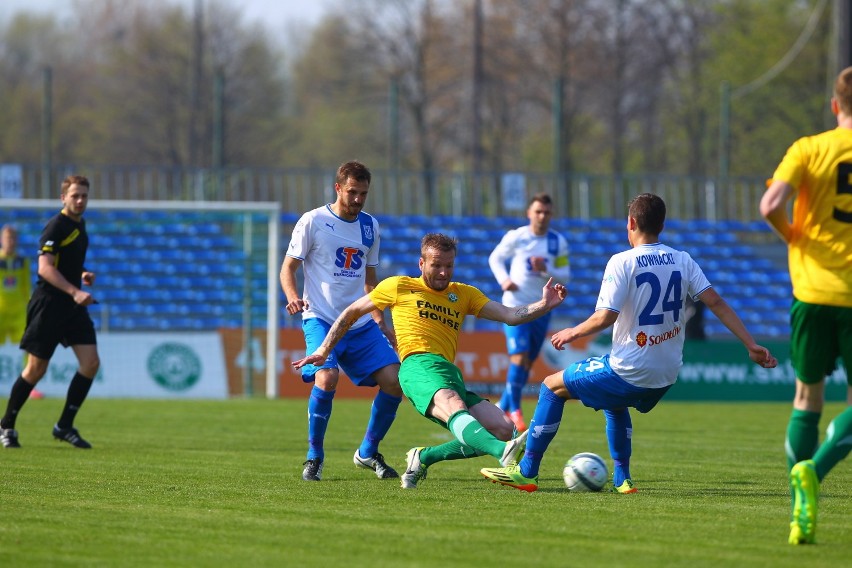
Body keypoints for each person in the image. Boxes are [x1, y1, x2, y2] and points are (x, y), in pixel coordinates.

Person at [481, 193, 778, 494]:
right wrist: (750, 344)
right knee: (614, 401)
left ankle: (526, 471)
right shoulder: (683, 259)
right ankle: (623, 479)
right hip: (667, 374)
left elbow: (604, 317)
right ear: (662, 225)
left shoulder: (622, 261)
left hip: (630, 368)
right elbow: (716, 302)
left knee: (550, 386)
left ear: (631, 222)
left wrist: (572, 332)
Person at [293, 233, 568, 489]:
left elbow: (510, 314)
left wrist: (543, 305)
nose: (444, 273)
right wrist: (325, 348)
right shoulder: (399, 286)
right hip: (417, 367)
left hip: (449, 373)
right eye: (437, 265)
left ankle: (423, 457)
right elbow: (352, 311)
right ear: (421, 262)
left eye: (449, 266)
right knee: (457, 408)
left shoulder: (464, 294)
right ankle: (503, 455)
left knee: (503, 428)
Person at [759, 66, 852, 546]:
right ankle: (816, 470)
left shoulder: (808, 148)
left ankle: (802, 503)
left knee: (806, 399)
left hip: (812, 291)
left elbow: (770, 203)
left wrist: (795, 238)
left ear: (835, 106)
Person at [280, 160, 403, 482]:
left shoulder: (369, 227)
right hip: (320, 317)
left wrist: (381, 320)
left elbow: (370, 282)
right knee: (327, 378)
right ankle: (314, 456)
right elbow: (287, 268)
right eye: (352, 192)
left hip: (359, 323)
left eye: (363, 193)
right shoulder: (314, 220)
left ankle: (367, 452)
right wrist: (292, 296)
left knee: (394, 381)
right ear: (338, 188)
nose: (358, 199)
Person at [0, 175, 100, 449]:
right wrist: (75, 291)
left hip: (72, 305)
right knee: (36, 369)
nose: (80, 200)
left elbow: (63, 263)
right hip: (50, 304)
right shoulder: (56, 226)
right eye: (75, 195)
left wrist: (82, 274)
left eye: (84, 196)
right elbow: (45, 268)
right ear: (63, 198)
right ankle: (6, 424)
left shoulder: (80, 225)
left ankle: (64, 426)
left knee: (91, 363)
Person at [488, 193, 571, 432]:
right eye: (538, 211)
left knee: (526, 364)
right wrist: (504, 280)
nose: (542, 216)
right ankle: (515, 410)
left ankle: (502, 405)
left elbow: (565, 275)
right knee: (519, 357)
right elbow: (495, 258)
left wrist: (547, 269)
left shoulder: (557, 242)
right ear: (529, 213)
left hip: (542, 308)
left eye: (546, 212)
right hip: (516, 306)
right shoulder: (517, 237)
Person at [1, 224, 44, 400]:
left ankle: (30, 386)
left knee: (30, 347)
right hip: (1, 311)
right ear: (2, 240)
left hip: (19, 312)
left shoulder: (23, 261)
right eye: (7, 238)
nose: (10, 242)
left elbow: (26, 286)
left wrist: (30, 307)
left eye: (13, 238)